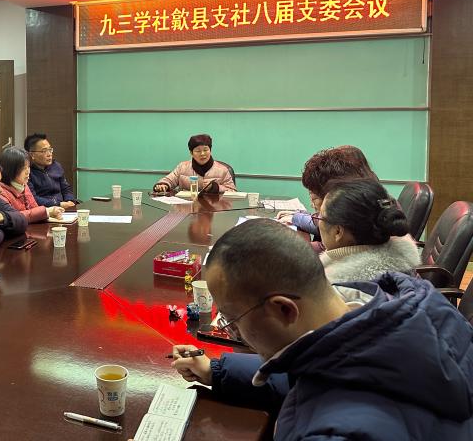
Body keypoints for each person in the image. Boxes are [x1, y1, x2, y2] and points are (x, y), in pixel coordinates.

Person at [169, 219, 473, 440]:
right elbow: (314, 375)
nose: (235, 331)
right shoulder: (397, 312)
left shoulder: (339, 432)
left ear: (284, 309)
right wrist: (215, 371)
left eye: (233, 320)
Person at [315, 178, 419, 283]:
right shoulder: (402, 267)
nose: (318, 220)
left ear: (338, 232)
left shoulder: (336, 287)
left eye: (320, 216)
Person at [278, 145, 377, 238]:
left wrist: (296, 218)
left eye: (315, 197)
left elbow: (326, 226)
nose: (312, 205)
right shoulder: (370, 189)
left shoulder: (351, 200)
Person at [0, 147, 65, 223]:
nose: (28, 172)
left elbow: (34, 208)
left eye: (28, 167)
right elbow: (12, 217)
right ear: (10, 170)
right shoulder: (0, 191)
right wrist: (46, 211)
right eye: (23, 168)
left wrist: (50, 215)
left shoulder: (23, 185)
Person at [153, 134, 235, 194]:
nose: (202, 154)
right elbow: (168, 180)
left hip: (214, 208)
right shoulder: (182, 167)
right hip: (187, 208)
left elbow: (233, 191)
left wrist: (216, 188)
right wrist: (163, 185)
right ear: (191, 153)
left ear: (210, 150)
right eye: (198, 151)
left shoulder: (222, 170)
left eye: (205, 150)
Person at [24, 133, 78, 209]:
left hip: (64, 208)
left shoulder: (56, 166)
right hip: (45, 210)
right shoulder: (27, 172)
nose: (49, 154)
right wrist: (58, 204)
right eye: (44, 151)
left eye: (50, 150)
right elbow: (33, 198)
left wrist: (70, 200)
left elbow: (66, 188)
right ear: (32, 155)